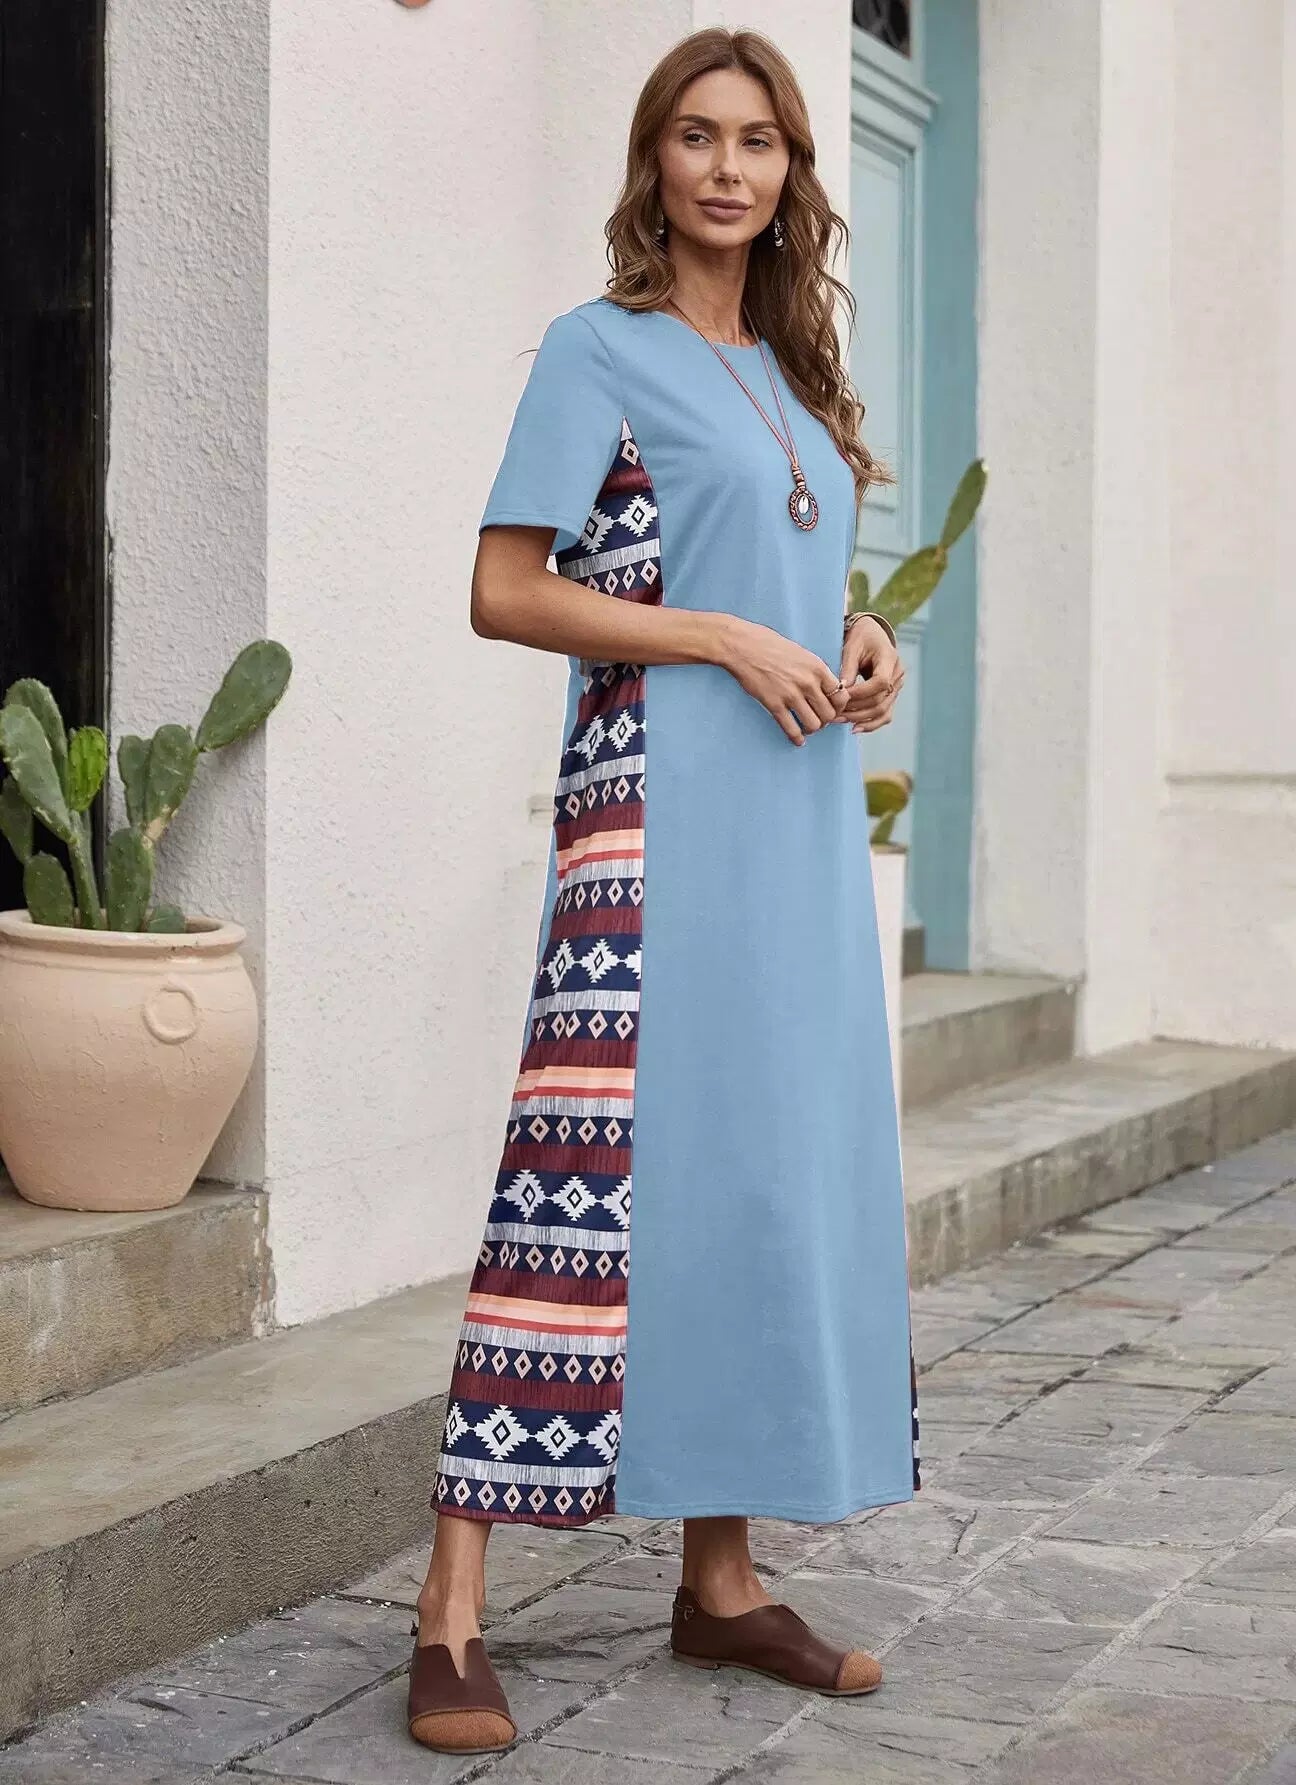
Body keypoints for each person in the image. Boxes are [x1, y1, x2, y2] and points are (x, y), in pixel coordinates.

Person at [407, 25, 919, 1757]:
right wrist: (712, 635)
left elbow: (791, 578)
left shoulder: (791, 370)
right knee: (575, 1176)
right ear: (656, 161)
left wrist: (860, 637)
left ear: (790, 174)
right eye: (697, 136)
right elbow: (504, 589)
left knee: (755, 1177)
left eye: (757, 141)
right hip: (649, 824)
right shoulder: (597, 349)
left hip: (794, 824)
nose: (727, 168)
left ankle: (720, 1577)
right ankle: (451, 1605)